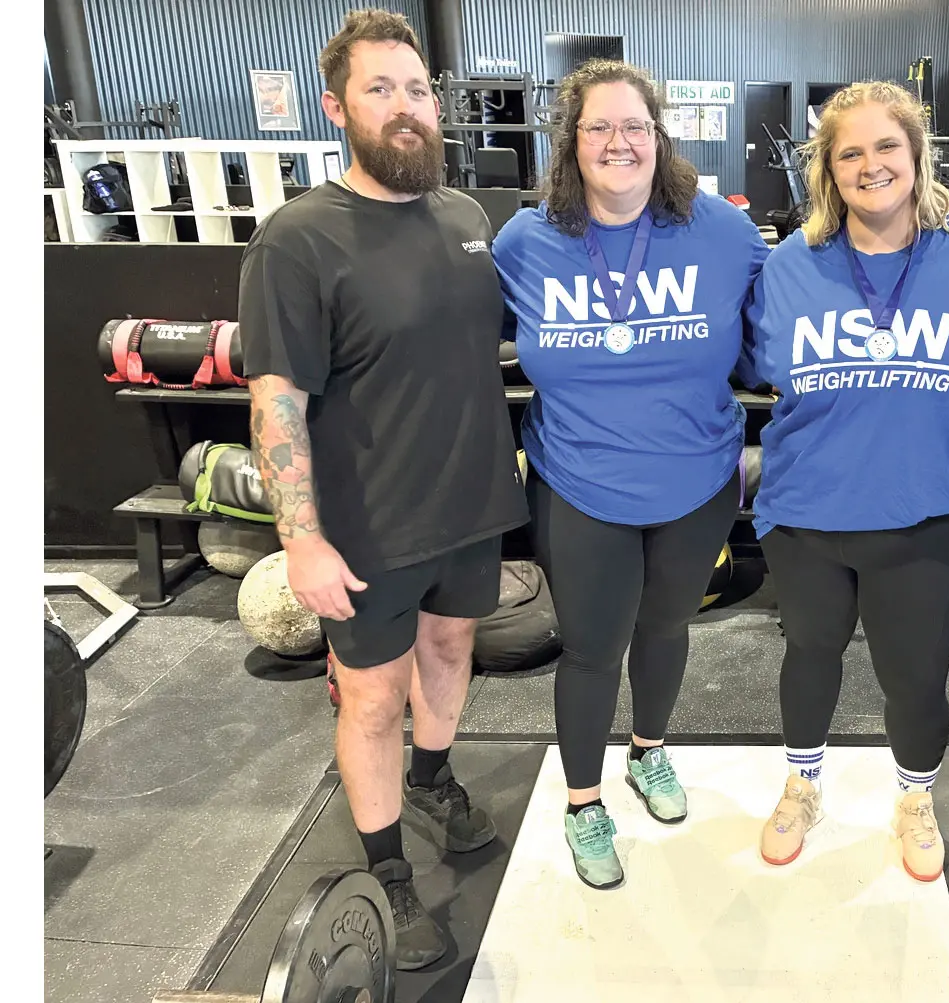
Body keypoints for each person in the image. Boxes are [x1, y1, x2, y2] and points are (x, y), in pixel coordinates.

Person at [238, 9, 527, 969]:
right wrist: (302, 539)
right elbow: (276, 397)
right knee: (370, 698)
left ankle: (433, 778)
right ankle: (388, 871)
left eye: (417, 91)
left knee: (451, 652)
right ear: (337, 107)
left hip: (472, 505)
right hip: (366, 527)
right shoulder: (298, 238)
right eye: (380, 90)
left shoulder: (463, 216)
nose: (406, 109)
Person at [490, 59, 769, 890]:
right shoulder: (525, 240)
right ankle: (582, 804)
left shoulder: (723, 231)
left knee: (665, 629)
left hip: (698, 481)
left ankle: (649, 754)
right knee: (589, 647)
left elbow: (775, 335)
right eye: (599, 127)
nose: (619, 142)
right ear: (569, 144)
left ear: (660, 139)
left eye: (635, 127)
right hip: (579, 481)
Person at [743, 81, 949, 881]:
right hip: (808, 510)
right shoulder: (788, 266)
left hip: (926, 511)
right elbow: (763, 373)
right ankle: (802, 784)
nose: (871, 165)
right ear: (828, 169)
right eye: (849, 152)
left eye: (886, 147)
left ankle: (915, 797)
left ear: (917, 154)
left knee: (915, 676)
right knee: (810, 654)